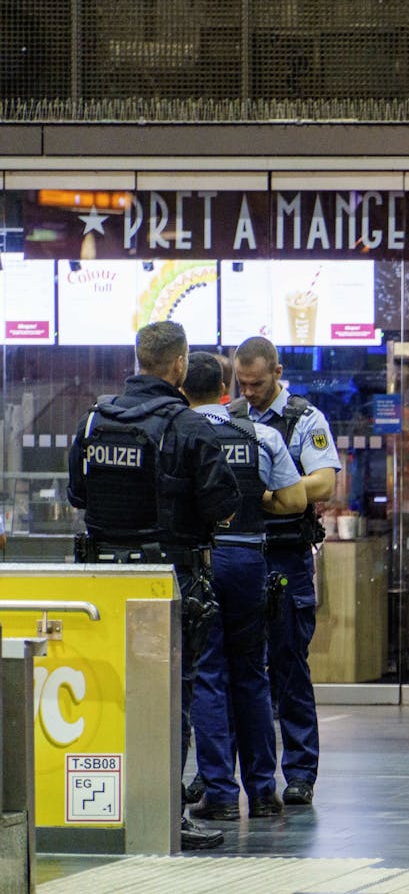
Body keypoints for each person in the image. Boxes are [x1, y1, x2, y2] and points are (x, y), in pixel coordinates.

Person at [67, 321, 240, 851]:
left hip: (102, 582)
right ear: (180, 364)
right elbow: (223, 504)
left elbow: (77, 494)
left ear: (138, 359)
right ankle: (164, 812)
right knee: (172, 697)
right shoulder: (187, 426)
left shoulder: (95, 419)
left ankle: (104, 806)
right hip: (168, 580)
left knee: (108, 693)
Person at [182, 352, 305, 823]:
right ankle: (263, 792)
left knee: (211, 675)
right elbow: (295, 500)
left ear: (182, 388)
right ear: (226, 389)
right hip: (250, 557)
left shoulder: (179, 432)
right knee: (253, 674)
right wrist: (254, 502)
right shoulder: (261, 434)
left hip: (204, 560)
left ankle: (219, 793)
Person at [230, 337, 342, 806]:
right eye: (243, 383)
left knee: (290, 666)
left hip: (285, 556)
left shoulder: (303, 418)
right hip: (239, 553)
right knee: (239, 669)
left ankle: (299, 772)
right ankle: (231, 771)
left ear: (277, 371)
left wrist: (275, 488)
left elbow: (324, 483)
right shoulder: (230, 416)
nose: (250, 392)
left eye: (257, 383)